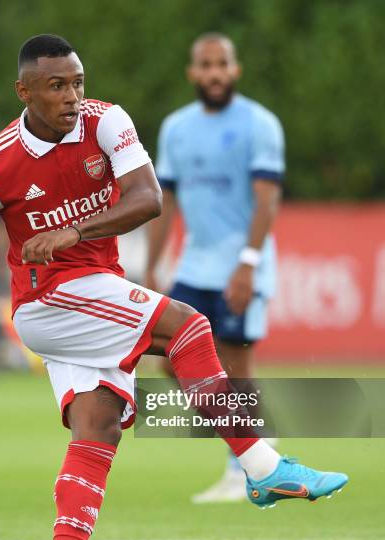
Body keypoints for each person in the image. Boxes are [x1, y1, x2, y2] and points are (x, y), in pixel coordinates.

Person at [0, 34, 348, 540]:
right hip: (46, 301)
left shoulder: (106, 122)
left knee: (99, 426)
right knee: (189, 325)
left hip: (94, 289)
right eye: (56, 86)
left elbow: (148, 198)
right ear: (24, 92)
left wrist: (74, 230)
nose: (72, 97)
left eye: (78, 82)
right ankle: (262, 466)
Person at [146, 32, 283, 503]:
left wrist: (247, 265)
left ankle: (243, 467)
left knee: (237, 366)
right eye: (205, 65)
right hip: (195, 265)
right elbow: (165, 200)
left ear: (235, 69)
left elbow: (267, 201)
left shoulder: (259, 124)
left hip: (242, 266)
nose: (213, 73)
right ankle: (248, 438)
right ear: (192, 73)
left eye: (221, 64)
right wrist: (149, 267)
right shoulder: (176, 128)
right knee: (164, 354)